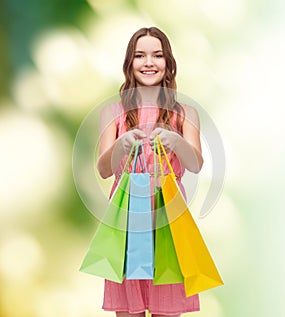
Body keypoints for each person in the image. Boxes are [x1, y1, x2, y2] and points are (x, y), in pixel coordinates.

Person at [97, 27, 204, 317]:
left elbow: (195, 164)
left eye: (157, 55)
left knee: (167, 305)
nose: (149, 62)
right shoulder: (112, 113)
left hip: (168, 216)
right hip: (128, 217)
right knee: (129, 308)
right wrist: (121, 144)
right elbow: (104, 169)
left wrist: (176, 140)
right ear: (129, 63)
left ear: (168, 63)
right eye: (140, 55)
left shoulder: (185, 114)